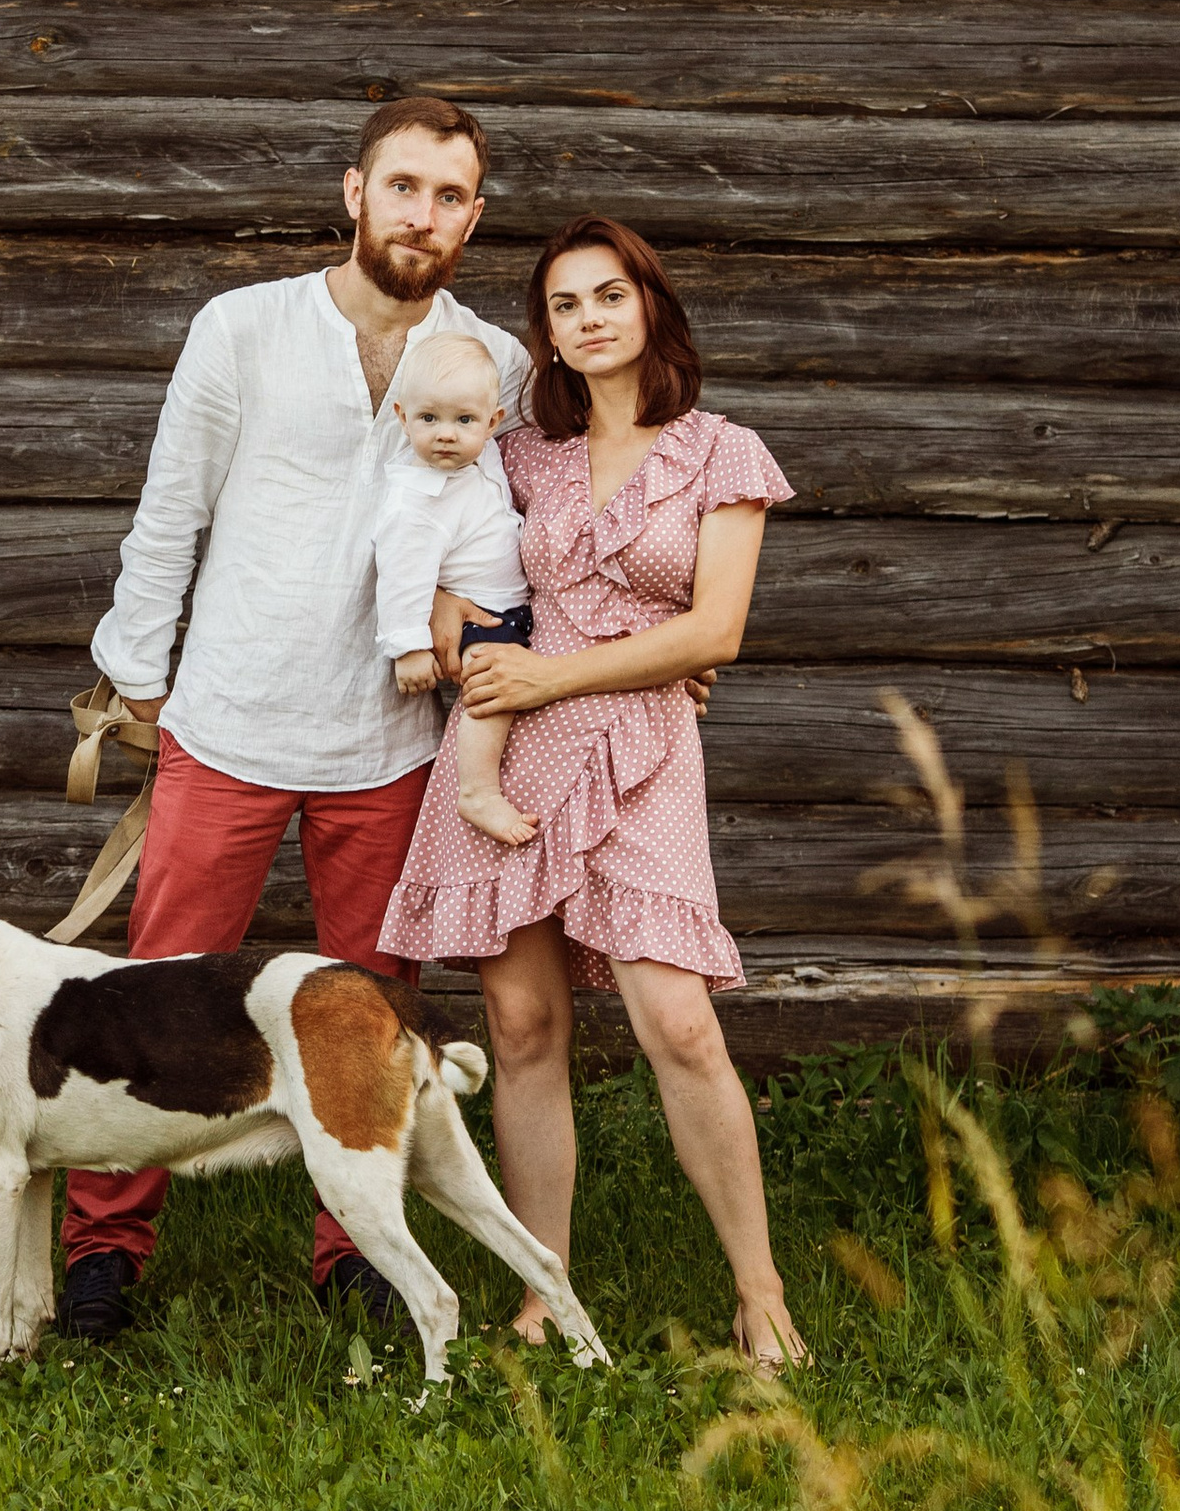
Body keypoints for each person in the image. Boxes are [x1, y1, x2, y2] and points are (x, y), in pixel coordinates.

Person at [60, 95, 528, 1340]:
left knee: (368, 1009)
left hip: (389, 739)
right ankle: (105, 1245)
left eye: (449, 196)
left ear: (473, 217)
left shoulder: (496, 362)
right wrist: (140, 677)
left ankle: (355, 1250)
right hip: (228, 717)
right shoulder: (245, 328)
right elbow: (172, 508)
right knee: (155, 995)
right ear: (354, 192)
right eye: (403, 186)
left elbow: (502, 537)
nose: (422, 214)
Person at [381, 216, 808, 1373]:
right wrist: (455, 643)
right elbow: (427, 545)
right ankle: (539, 1289)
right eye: (565, 307)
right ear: (548, 337)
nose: (588, 320)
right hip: (505, 748)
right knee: (520, 1027)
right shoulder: (517, 456)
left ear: (650, 308)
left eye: (608, 296)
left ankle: (759, 1291)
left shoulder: (722, 453)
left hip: (642, 750)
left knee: (676, 1019)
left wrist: (569, 669)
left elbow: (714, 629)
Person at [373, 329, 534, 847]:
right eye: (428, 419)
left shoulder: (480, 456)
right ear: (402, 417)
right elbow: (401, 575)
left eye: (463, 420)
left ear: (493, 424)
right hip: (479, 621)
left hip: (509, 607)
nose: (445, 434)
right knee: (493, 696)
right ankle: (478, 790)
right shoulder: (417, 500)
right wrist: (408, 647)